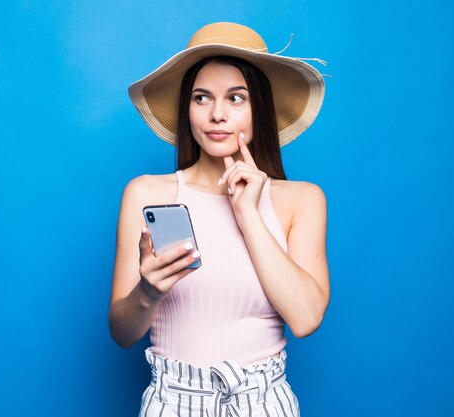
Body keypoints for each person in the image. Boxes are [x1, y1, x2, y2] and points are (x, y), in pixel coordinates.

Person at [109, 22, 330, 417]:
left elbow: (306, 318)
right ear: (188, 110)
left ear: (258, 107)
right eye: (202, 98)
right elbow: (122, 333)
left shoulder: (302, 200)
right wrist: (147, 292)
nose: (216, 115)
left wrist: (248, 214)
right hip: (172, 402)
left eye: (235, 98)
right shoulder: (145, 194)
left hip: (263, 403)